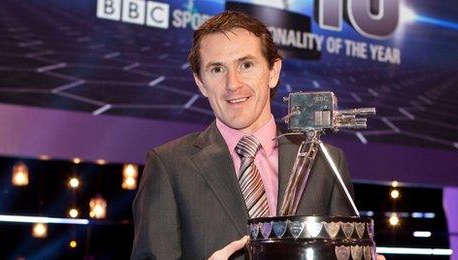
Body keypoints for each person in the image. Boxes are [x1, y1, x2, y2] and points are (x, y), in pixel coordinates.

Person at [131, 11, 356, 260]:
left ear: (273, 72)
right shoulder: (169, 165)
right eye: (217, 69)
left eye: (246, 65)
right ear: (201, 83)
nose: (233, 84)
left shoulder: (326, 162)